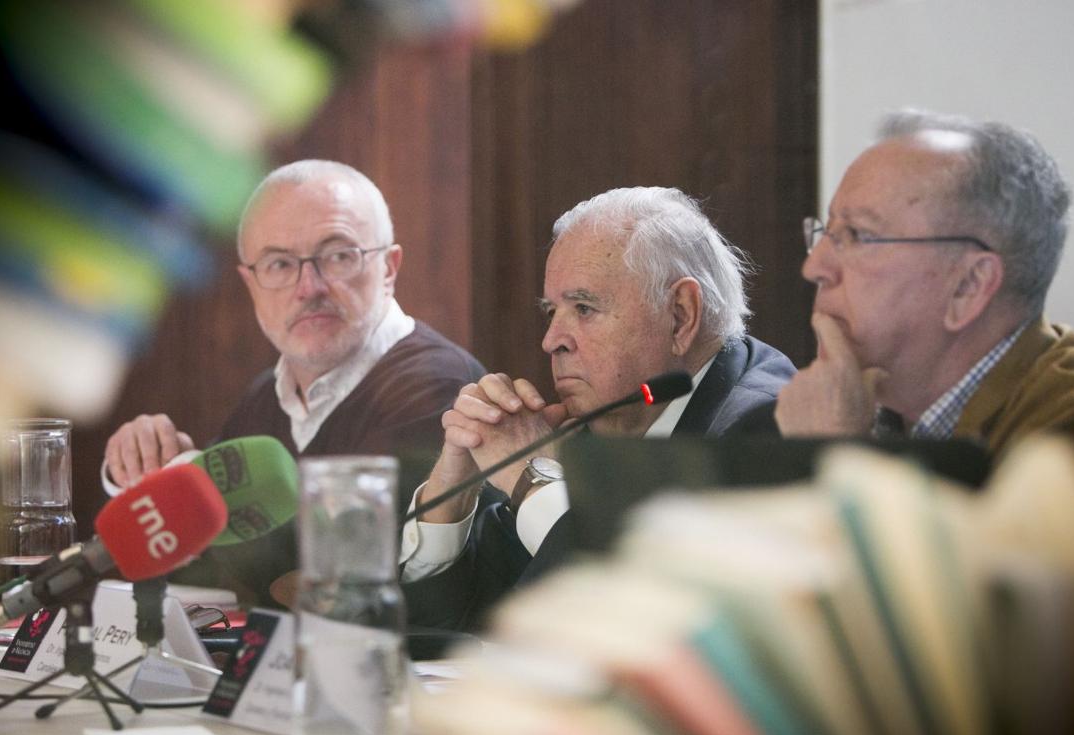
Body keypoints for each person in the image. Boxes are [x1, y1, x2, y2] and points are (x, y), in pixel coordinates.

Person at [402, 186, 796, 630]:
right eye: (552, 311)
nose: (552, 340)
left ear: (681, 316)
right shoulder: (603, 418)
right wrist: (450, 495)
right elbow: (437, 637)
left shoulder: (766, 431)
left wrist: (530, 482)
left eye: (584, 308)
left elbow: (654, 630)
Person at [103, 160, 484, 604]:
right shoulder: (267, 396)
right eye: (279, 263)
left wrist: (189, 479)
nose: (309, 287)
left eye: (338, 256)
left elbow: (336, 571)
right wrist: (142, 466)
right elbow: (207, 563)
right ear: (251, 283)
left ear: (389, 267)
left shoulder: (438, 387)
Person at [775, 109, 1074, 457]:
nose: (815, 267)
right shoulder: (886, 404)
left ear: (968, 286)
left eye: (858, 234)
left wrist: (837, 453)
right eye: (829, 230)